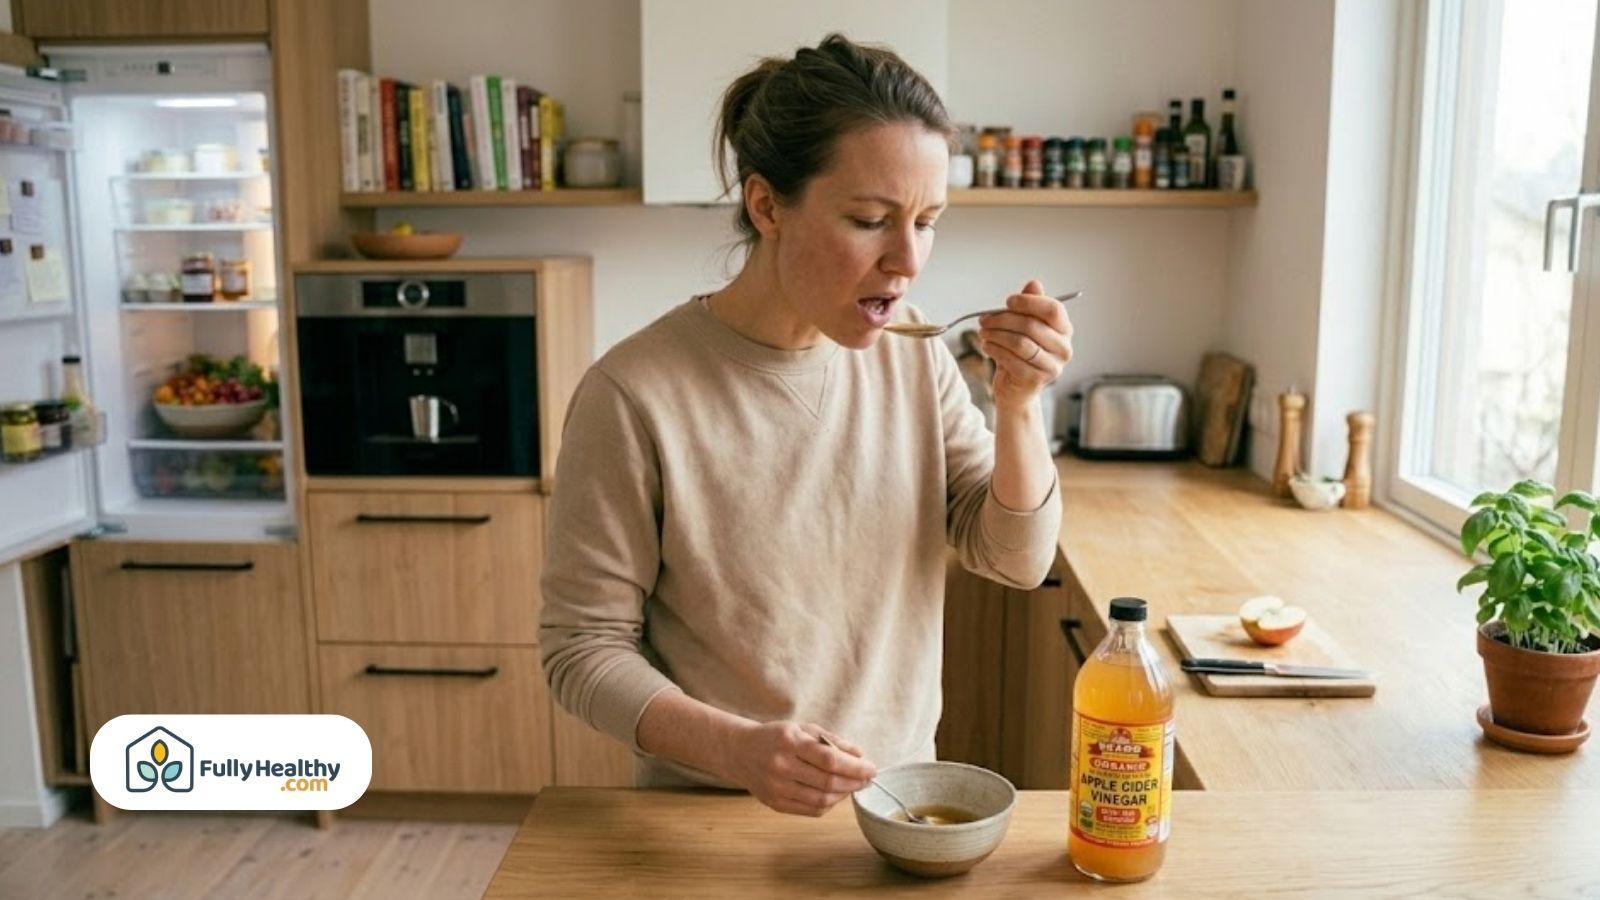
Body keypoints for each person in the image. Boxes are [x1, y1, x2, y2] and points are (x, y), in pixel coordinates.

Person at [540, 33, 1070, 817]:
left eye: (928, 221)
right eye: (869, 219)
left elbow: (1016, 559)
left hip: (900, 807)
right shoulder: (633, 392)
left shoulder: (914, 357)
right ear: (766, 205)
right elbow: (581, 651)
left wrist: (1018, 408)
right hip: (709, 818)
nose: (908, 259)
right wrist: (737, 748)